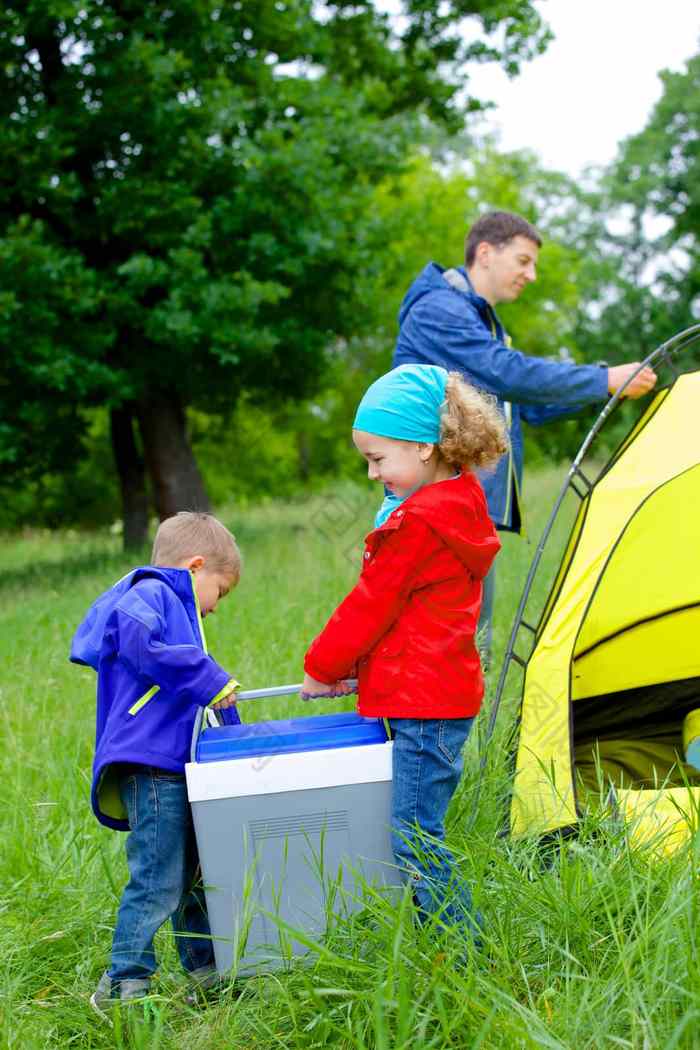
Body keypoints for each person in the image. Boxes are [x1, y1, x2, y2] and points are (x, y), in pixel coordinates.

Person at [392, 210, 658, 661]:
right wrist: (603, 380)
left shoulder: (480, 322)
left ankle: (463, 732)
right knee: (444, 645)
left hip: (463, 505)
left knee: (471, 643)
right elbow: (506, 372)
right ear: (485, 253)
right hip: (431, 504)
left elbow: (525, 405)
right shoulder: (440, 311)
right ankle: (422, 731)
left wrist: (607, 388)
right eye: (524, 260)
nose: (531, 275)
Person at [302, 363, 507, 938]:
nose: (372, 473)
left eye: (377, 459)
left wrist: (323, 668)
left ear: (423, 447)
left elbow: (372, 603)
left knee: (415, 839)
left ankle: (464, 950)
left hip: (425, 706)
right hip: (436, 696)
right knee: (414, 830)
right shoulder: (458, 499)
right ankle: (439, 936)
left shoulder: (418, 523)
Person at [70, 512, 242, 1015]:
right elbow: (146, 646)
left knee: (194, 873)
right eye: (220, 591)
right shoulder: (150, 595)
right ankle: (123, 983)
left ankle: (207, 973)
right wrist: (209, 678)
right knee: (158, 878)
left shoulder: (178, 612)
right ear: (194, 567)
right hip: (150, 767)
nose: (215, 608)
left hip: (175, 764)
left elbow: (191, 695)